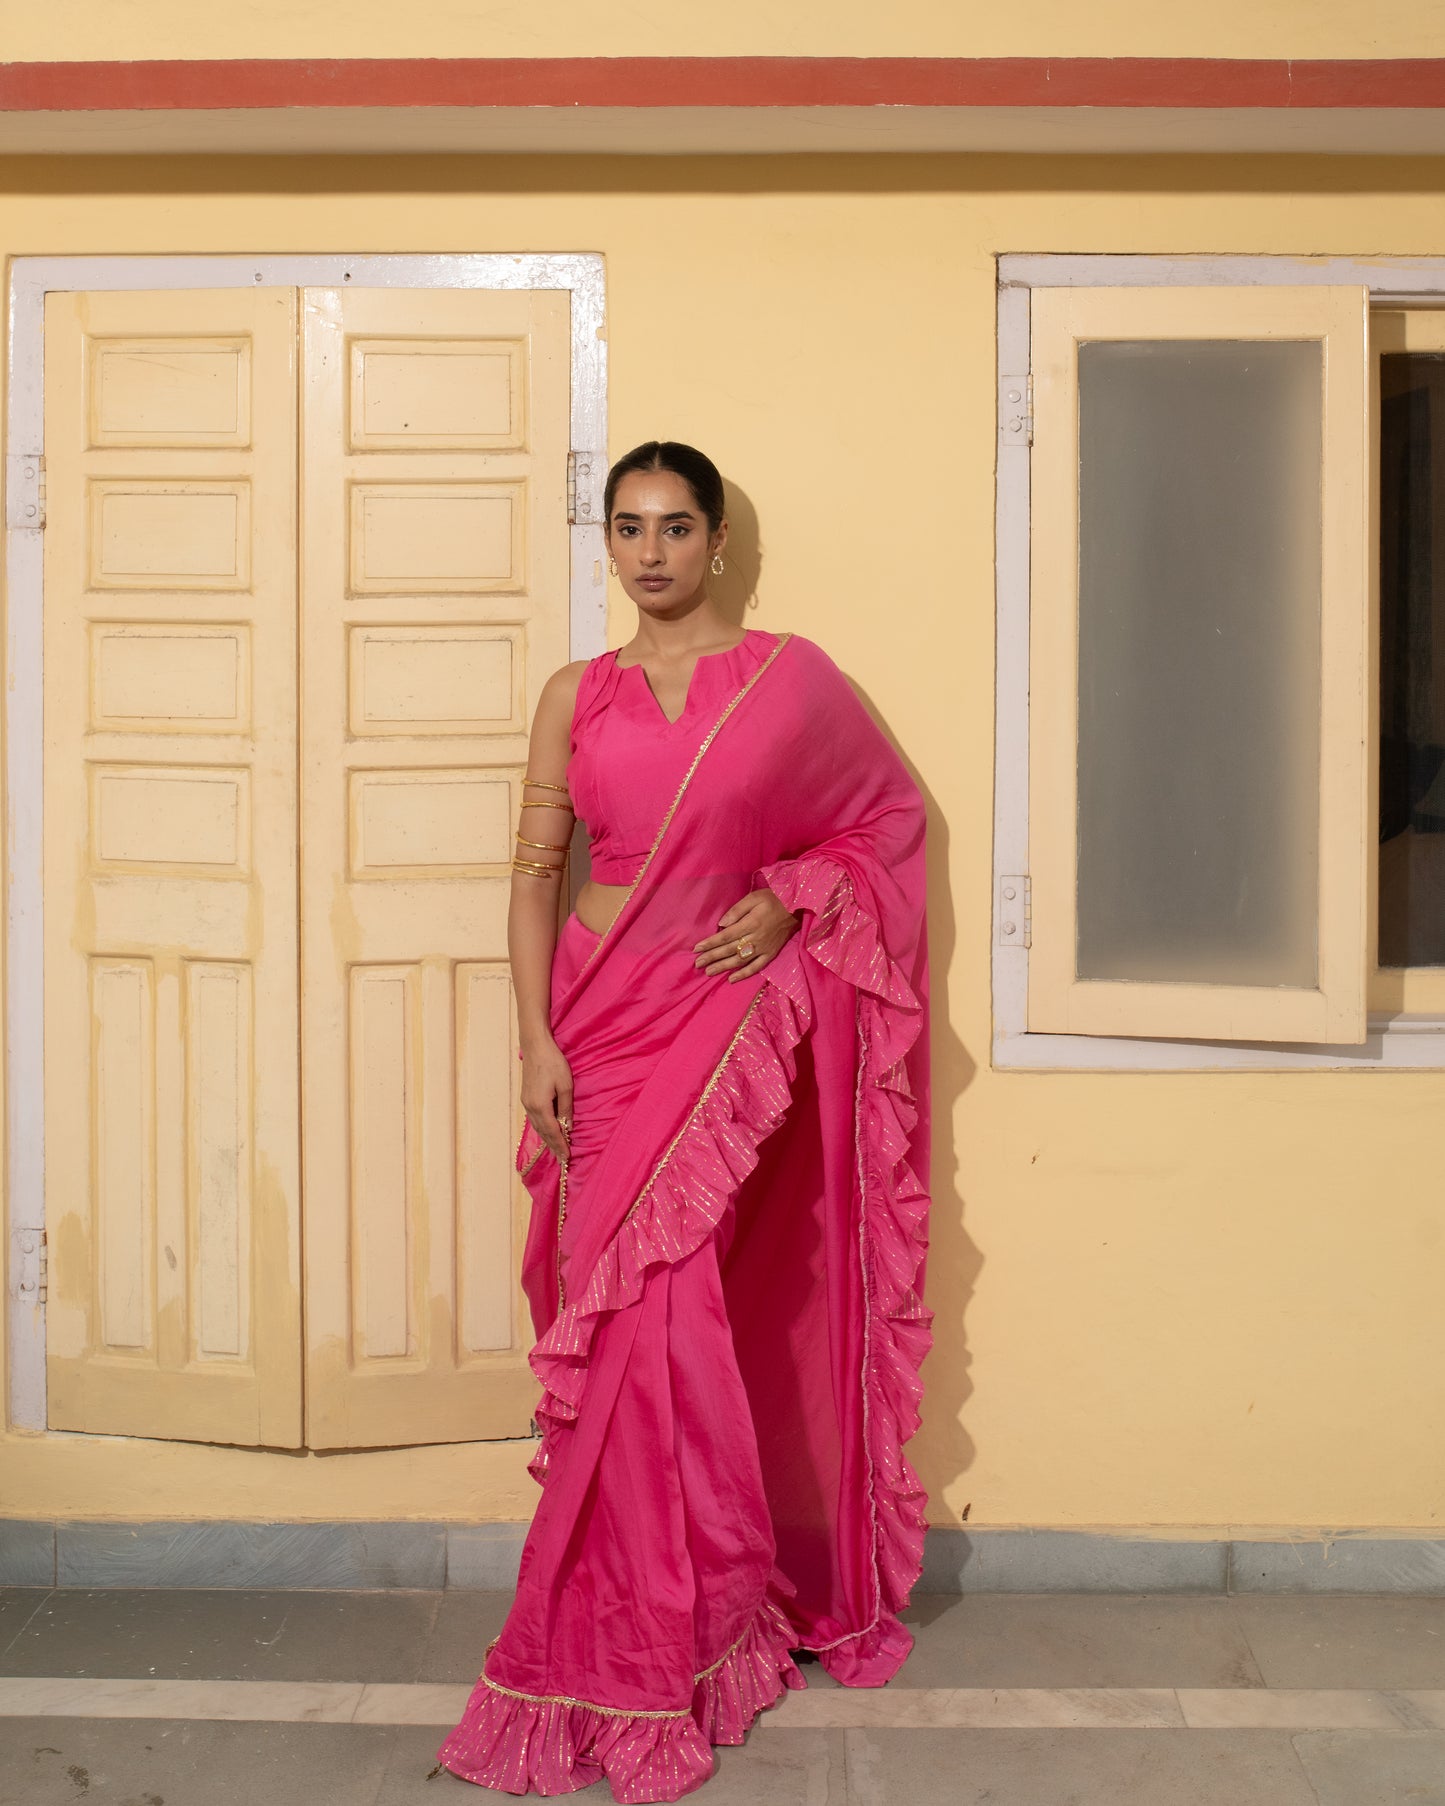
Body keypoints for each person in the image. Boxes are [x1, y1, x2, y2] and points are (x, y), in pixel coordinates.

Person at [435, 441, 933, 1802]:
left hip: (712, 1018)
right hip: (598, 1020)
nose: (649, 553)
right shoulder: (574, 694)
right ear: (607, 542)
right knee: (610, 1321)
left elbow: (883, 826)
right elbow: (533, 878)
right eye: (627, 528)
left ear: (718, 542)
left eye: (673, 527)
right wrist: (536, 1037)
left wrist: (787, 897)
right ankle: (642, 1613)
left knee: (670, 1316)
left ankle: (677, 1626)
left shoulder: (788, 681)